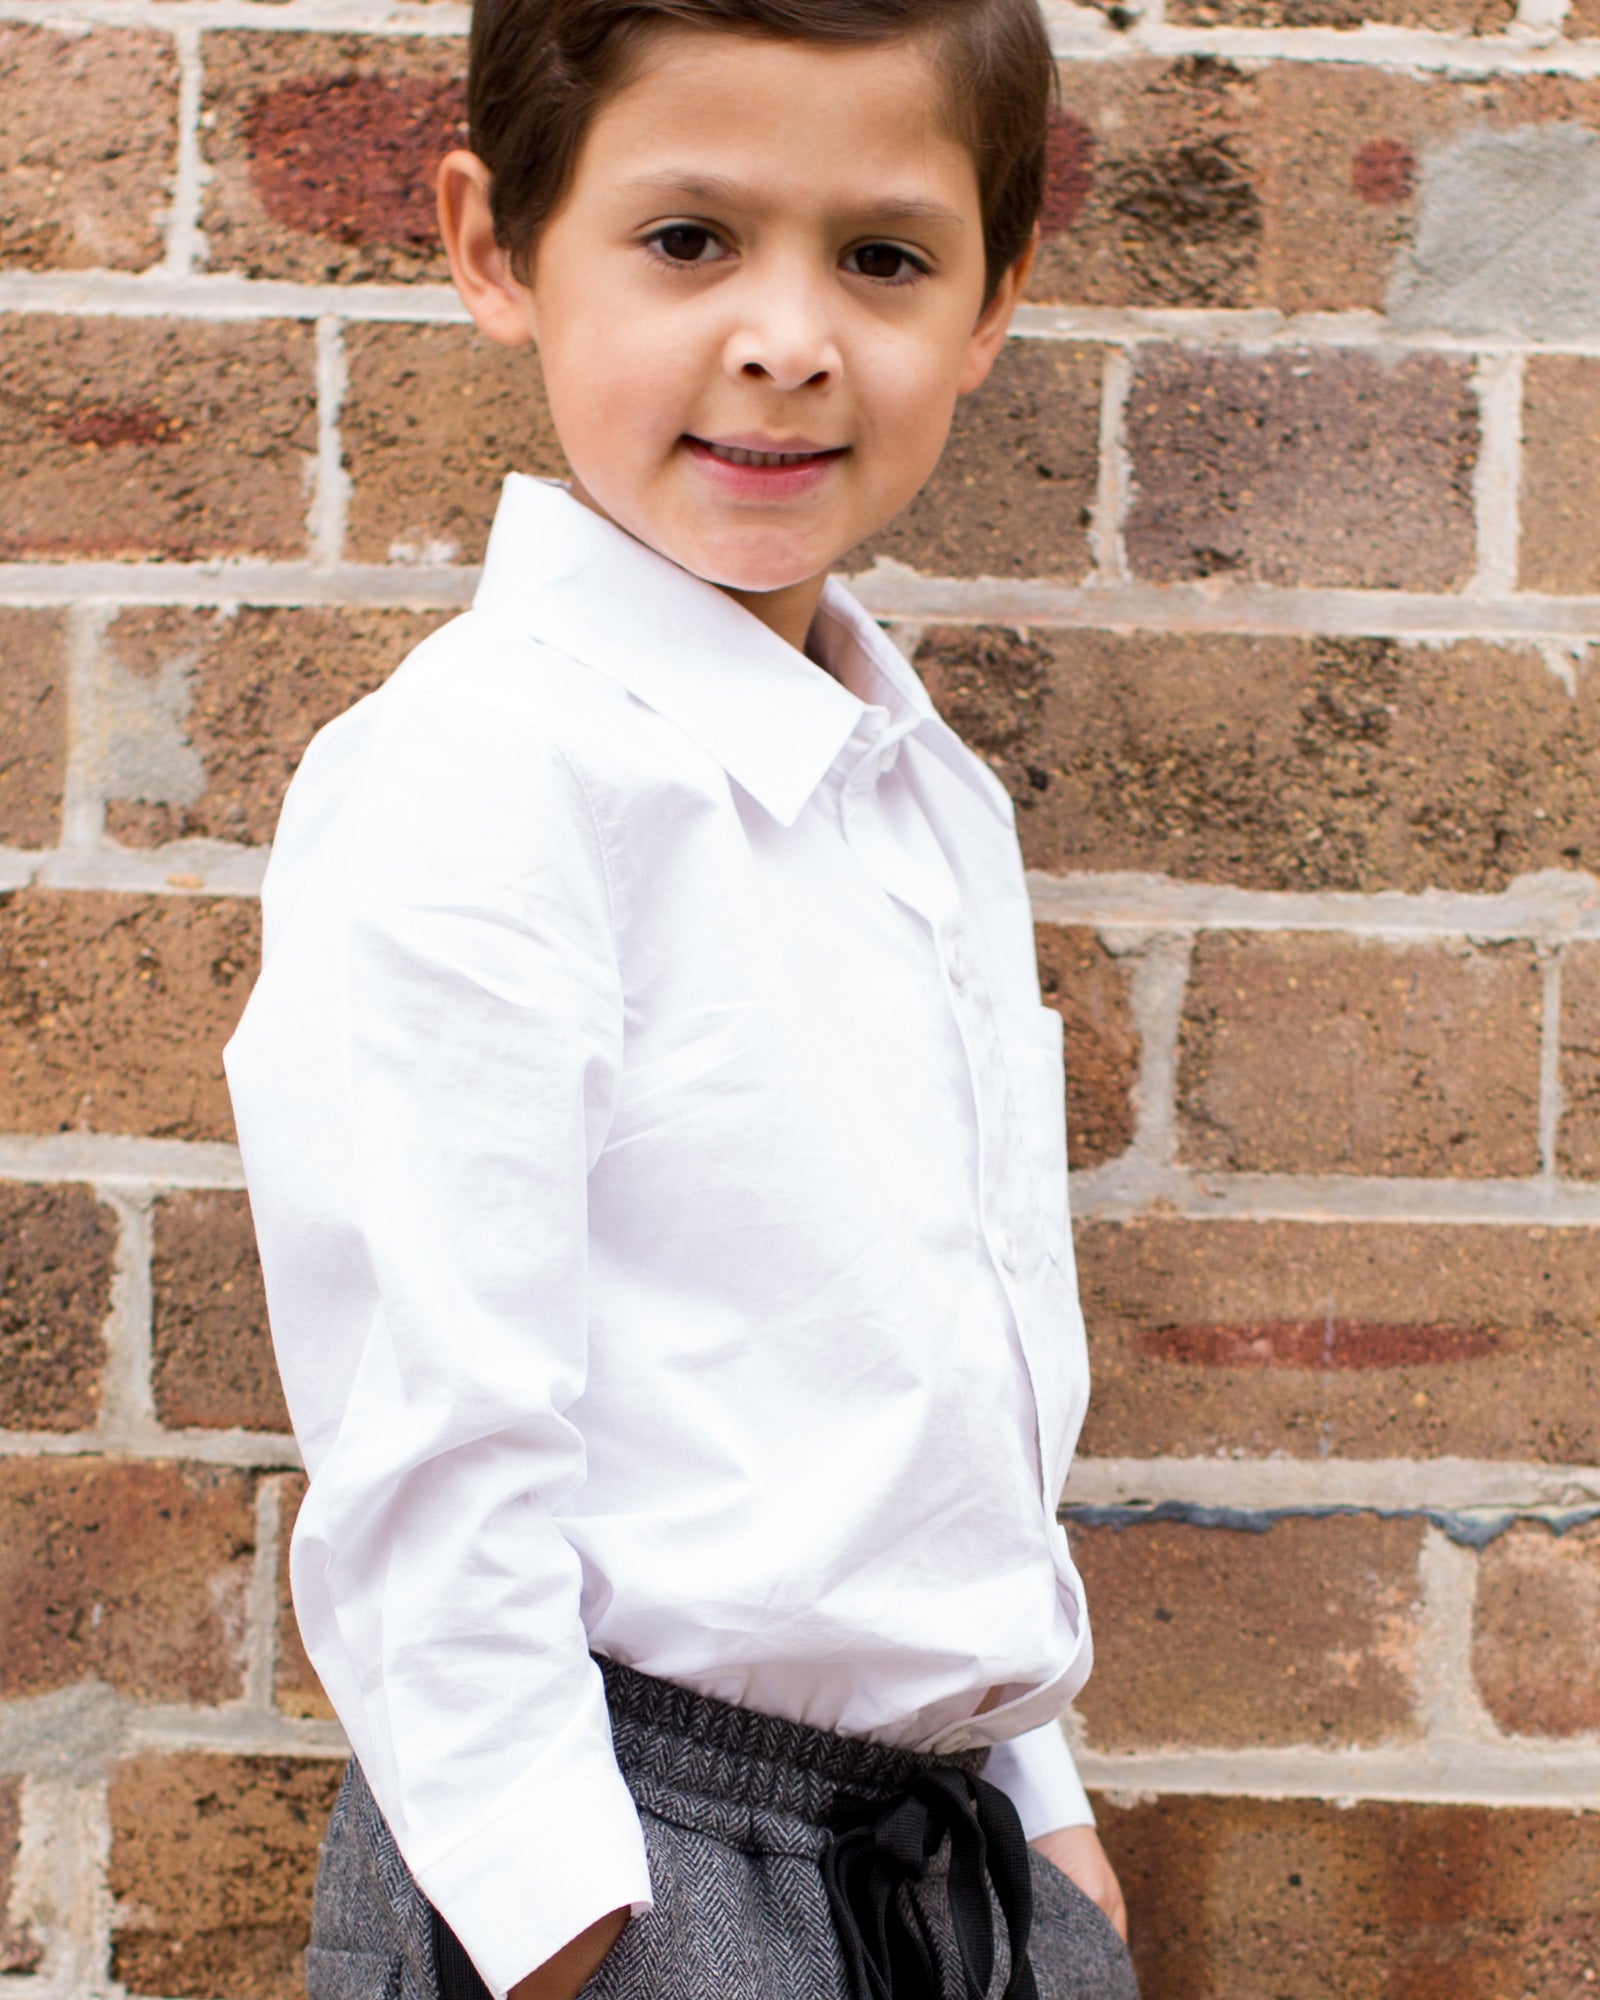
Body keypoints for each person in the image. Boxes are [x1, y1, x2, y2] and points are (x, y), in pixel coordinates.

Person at [225, 1, 1138, 1996]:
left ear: (992, 303)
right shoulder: (486, 769)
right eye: (687, 239)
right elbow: (431, 1430)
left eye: (881, 257)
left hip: (950, 1845)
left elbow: (940, 1373)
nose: (788, 338)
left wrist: (1044, 1807)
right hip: (625, 1867)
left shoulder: (922, 796)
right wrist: (562, 1925)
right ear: (494, 249)